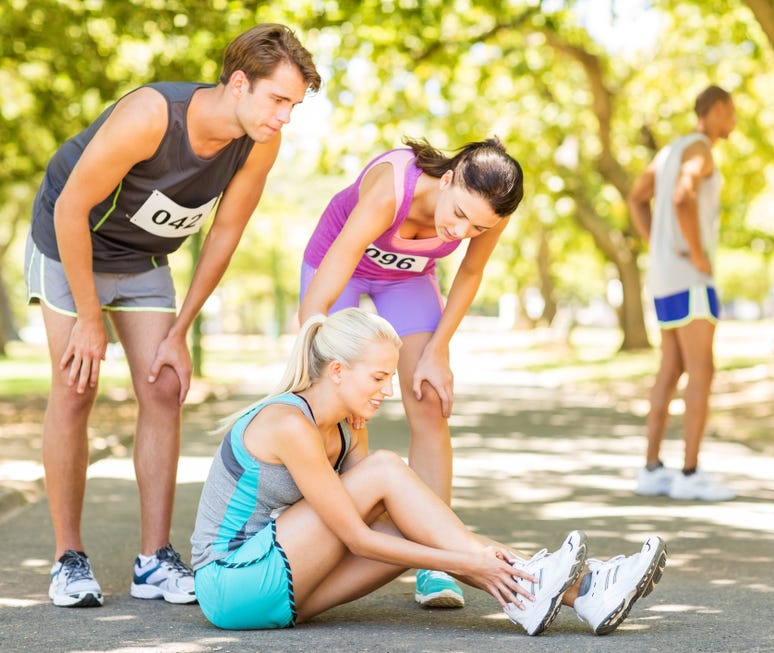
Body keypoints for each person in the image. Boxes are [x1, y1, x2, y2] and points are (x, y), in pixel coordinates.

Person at [24, 24, 321, 608]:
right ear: (239, 84)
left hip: (139, 256)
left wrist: (180, 331)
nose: (285, 117)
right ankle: (67, 560)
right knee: (75, 385)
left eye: (295, 105)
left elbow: (224, 235)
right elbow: (71, 206)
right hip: (68, 241)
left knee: (162, 386)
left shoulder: (260, 141)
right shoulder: (153, 116)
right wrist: (89, 317)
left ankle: (153, 561)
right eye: (278, 100)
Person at [190, 308, 669, 636]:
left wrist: (466, 556)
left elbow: (396, 513)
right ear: (336, 371)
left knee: (410, 520)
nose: (387, 391)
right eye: (378, 378)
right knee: (387, 474)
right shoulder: (288, 423)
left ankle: (583, 593)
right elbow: (355, 536)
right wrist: (465, 563)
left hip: (283, 588)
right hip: (230, 581)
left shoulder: (347, 426)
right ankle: (561, 582)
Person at [298, 137, 524, 607]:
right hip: (341, 263)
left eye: (476, 226)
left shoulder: (489, 213)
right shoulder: (391, 189)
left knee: (429, 397)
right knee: (340, 395)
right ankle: (334, 537)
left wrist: (438, 349)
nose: (461, 231)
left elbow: (469, 274)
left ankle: (435, 561)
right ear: (448, 179)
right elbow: (344, 253)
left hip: (408, 278)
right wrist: (312, 329)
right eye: (458, 214)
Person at [627, 85, 737, 501]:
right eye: (732, 113)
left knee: (670, 369)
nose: (735, 122)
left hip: (664, 277)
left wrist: (657, 243)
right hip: (691, 278)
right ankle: (690, 473)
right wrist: (696, 252)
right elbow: (682, 197)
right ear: (719, 110)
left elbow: (636, 198)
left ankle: (652, 468)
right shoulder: (700, 150)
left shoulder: (668, 151)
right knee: (701, 370)